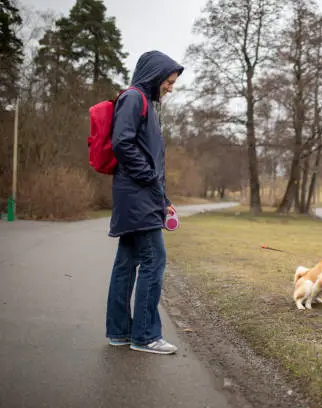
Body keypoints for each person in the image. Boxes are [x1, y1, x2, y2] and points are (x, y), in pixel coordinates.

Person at [105, 50, 184, 355]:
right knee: (154, 260)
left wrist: (164, 199)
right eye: (168, 80)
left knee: (126, 263)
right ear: (155, 74)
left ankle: (120, 332)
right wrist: (151, 178)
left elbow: (144, 154)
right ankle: (145, 336)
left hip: (141, 198)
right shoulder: (134, 98)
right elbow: (122, 143)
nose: (170, 87)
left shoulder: (144, 103)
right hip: (137, 199)